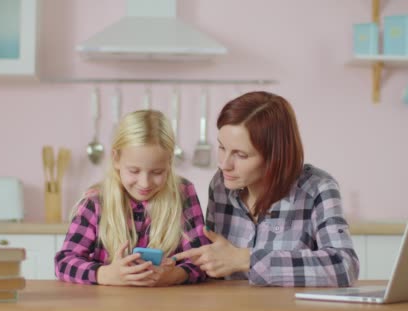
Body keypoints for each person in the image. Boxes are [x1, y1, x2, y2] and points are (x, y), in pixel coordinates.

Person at [174, 91, 359, 287]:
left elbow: (344, 266)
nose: (224, 164)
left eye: (241, 155)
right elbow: (215, 264)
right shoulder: (221, 185)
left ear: (275, 156)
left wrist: (246, 259)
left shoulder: (317, 188)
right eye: (222, 148)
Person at [55, 110, 209, 286]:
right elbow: (63, 263)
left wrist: (173, 275)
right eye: (134, 171)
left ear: (169, 162)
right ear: (116, 159)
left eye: (157, 172)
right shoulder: (96, 201)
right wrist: (105, 275)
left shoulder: (183, 193)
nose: (145, 183)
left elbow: (200, 260)